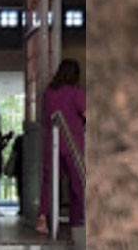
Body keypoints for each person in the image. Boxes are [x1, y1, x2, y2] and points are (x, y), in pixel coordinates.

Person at [38, 59, 85, 235]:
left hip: (52, 142)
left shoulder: (48, 93)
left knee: (49, 182)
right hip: (73, 143)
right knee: (78, 182)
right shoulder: (76, 93)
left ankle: (42, 219)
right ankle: (78, 222)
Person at [6, 134, 24, 215]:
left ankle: (22, 207)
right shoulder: (34, 139)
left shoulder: (19, 139)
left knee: (20, 188)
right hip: (29, 168)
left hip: (19, 168)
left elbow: (14, 154)